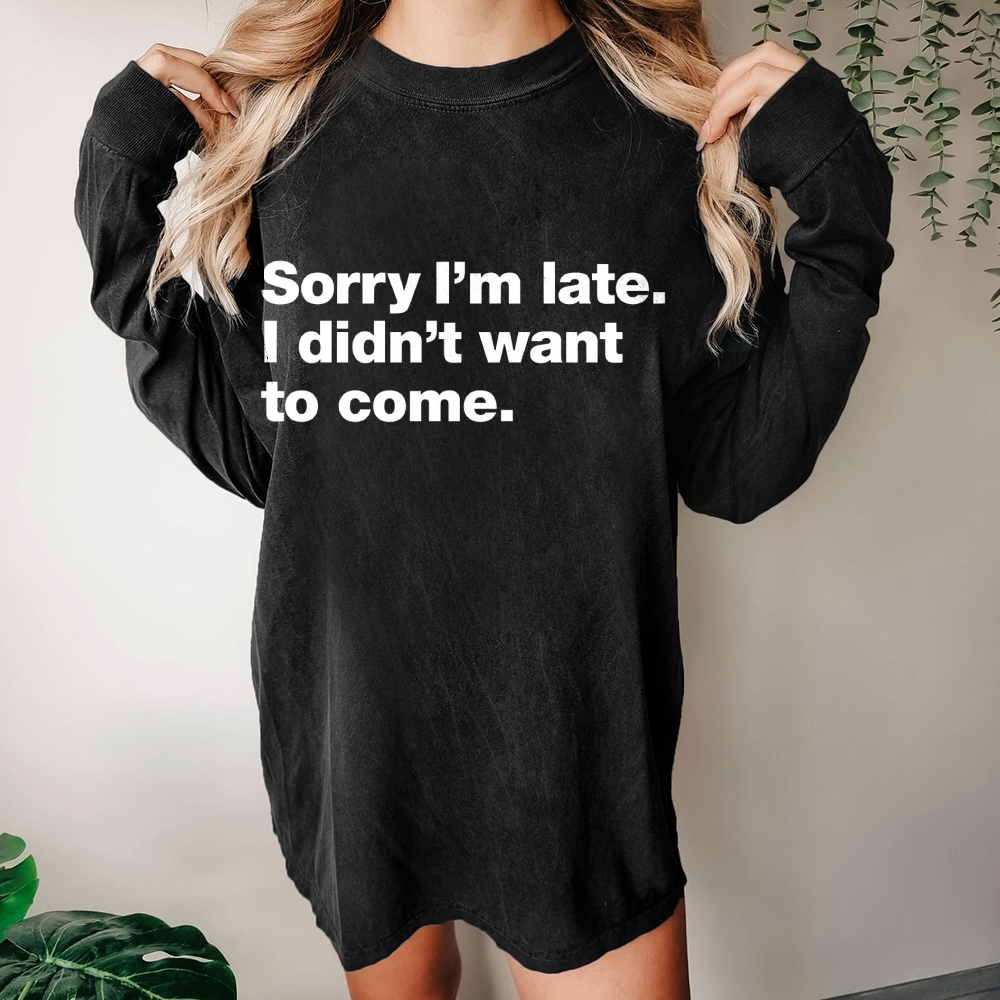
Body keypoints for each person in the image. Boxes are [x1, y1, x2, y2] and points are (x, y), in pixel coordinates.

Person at [73, 0, 895, 995]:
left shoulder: (670, 130)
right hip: (359, 732)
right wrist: (119, 171)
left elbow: (740, 468)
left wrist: (840, 195)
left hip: (575, 750)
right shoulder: (277, 125)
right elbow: (265, 459)